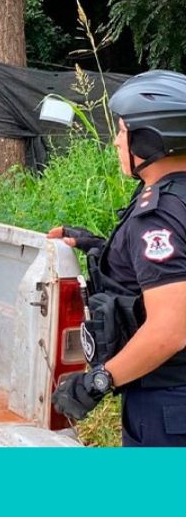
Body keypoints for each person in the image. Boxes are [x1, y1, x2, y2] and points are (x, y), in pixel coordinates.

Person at [49, 70, 186, 446]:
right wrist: (100, 249)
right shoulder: (175, 197)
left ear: (150, 138)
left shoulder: (157, 218)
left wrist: (98, 381)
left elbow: (170, 330)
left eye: (123, 132)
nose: (115, 142)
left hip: (167, 407)